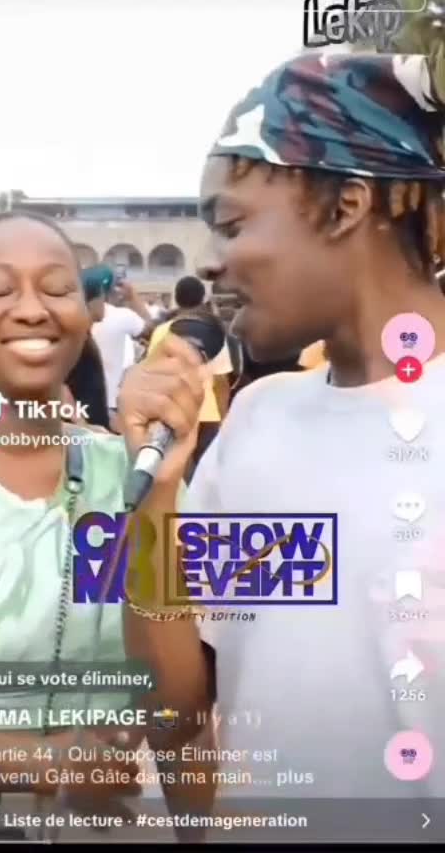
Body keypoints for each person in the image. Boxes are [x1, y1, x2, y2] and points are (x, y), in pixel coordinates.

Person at [121, 47, 445, 836]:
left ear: (345, 206)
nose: (211, 263)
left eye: (232, 224)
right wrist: (156, 504)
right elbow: (177, 712)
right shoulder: (259, 419)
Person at [0, 212, 148, 839]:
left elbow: (189, 697)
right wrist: (44, 761)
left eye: (57, 288)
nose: (31, 309)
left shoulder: (135, 476)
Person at [147, 276, 232, 478]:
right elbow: (221, 380)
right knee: (208, 476)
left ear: (177, 299)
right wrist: (223, 418)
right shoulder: (212, 332)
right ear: (202, 299)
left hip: (172, 412)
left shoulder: (161, 332)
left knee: (176, 476)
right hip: (207, 414)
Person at [91, 268, 148, 425]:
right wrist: (133, 297)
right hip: (112, 402)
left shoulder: (79, 313)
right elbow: (152, 330)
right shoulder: (122, 316)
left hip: (81, 403)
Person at [65, 266, 110, 430]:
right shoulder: (75, 339)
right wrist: (82, 425)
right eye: (102, 298)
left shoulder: (84, 336)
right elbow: (56, 387)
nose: (104, 304)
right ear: (90, 301)